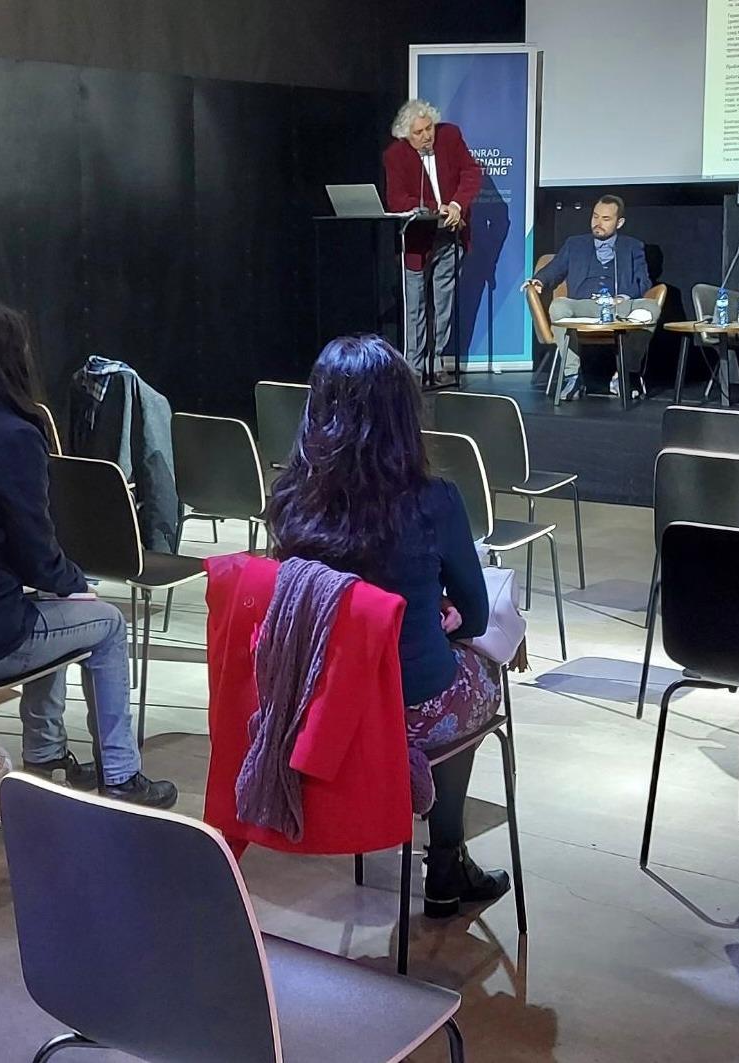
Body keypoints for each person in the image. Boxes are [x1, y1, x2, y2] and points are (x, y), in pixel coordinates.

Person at [0, 302, 177, 809]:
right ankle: (120, 774)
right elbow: (38, 557)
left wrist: (59, 584)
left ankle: (48, 756)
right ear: (12, 357)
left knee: (53, 602)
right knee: (106, 622)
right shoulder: (15, 436)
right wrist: (76, 584)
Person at [267, 333, 509, 916]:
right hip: (409, 706)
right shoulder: (435, 500)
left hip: (320, 700)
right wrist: (435, 612)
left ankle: (432, 838)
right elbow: (476, 617)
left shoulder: (290, 500)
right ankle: (446, 859)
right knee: (485, 676)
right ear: (403, 415)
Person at [382, 98, 482, 383]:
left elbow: (471, 173)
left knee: (443, 302)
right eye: (419, 132)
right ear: (406, 135)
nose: (427, 136)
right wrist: (434, 208)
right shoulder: (395, 155)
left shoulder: (450, 136)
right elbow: (397, 199)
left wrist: (457, 205)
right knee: (414, 306)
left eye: (429, 128)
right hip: (416, 242)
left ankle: (435, 361)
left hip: (450, 235)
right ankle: (413, 368)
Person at [524, 194, 660, 400]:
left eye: (606, 219)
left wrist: (624, 297)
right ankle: (572, 375)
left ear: (619, 222)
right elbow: (555, 268)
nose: (598, 223)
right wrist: (539, 281)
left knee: (651, 308)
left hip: (618, 307)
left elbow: (644, 282)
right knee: (558, 306)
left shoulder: (632, 246)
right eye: (595, 216)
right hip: (583, 305)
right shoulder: (574, 244)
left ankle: (624, 374)